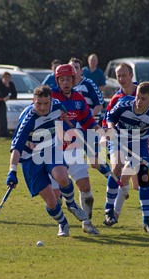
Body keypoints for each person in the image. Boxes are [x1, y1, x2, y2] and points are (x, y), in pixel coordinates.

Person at [6, 85, 87, 237]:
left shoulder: (56, 105)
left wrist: (62, 114)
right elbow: (16, 148)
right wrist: (12, 171)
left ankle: (71, 204)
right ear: (33, 101)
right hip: (31, 158)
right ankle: (62, 224)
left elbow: (61, 107)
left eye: (45, 104)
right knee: (51, 200)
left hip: (50, 149)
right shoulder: (29, 119)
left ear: (50, 100)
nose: (42, 108)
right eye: (38, 104)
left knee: (62, 178)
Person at [103, 63, 149, 221]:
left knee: (137, 182)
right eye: (118, 76)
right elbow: (108, 118)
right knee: (118, 168)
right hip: (119, 138)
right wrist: (109, 129)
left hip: (140, 141)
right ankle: (111, 213)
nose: (121, 79)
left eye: (124, 75)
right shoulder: (119, 100)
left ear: (131, 75)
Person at [51, 64, 103, 235]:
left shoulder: (79, 99)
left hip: (73, 148)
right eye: (62, 79)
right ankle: (62, 224)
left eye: (68, 79)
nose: (65, 83)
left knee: (85, 187)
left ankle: (87, 223)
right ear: (57, 80)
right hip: (53, 150)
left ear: (74, 80)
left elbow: (89, 122)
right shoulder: (51, 96)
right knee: (55, 194)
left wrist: (103, 133)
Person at [68, 57, 112, 179]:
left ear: (81, 71)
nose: (73, 70)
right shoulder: (65, 87)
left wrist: (86, 117)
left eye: (76, 68)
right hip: (73, 130)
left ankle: (115, 182)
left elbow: (100, 104)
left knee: (96, 161)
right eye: (71, 68)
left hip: (90, 127)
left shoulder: (88, 84)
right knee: (69, 161)